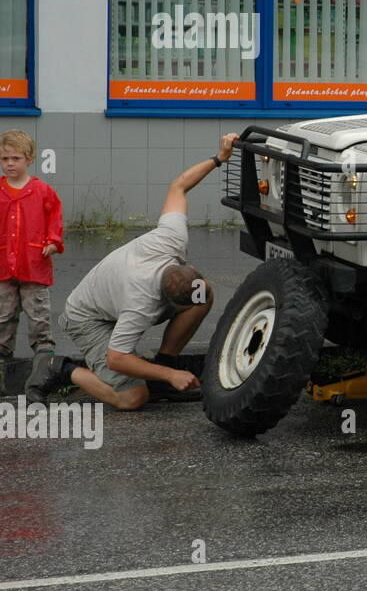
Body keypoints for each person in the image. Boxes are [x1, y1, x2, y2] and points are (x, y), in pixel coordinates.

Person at [25, 134, 238, 409]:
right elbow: (117, 357)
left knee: (204, 295)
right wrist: (173, 375)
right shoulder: (140, 305)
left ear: (184, 265)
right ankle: (58, 368)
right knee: (132, 399)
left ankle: (164, 370)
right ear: (165, 302)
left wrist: (219, 158)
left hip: (116, 297)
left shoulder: (170, 239)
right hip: (88, 319)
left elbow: (179, 186)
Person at [0, 129, 64, 364]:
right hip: (3, 264)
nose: (9, 164)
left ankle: (43, 347)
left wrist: (53, 241)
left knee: (37, 310)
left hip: (34, 261)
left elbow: (54, 218)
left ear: (29, 158)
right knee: (3, 312)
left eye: (15, 158)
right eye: (5, 159)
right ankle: (2, 349)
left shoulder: (42, 191)